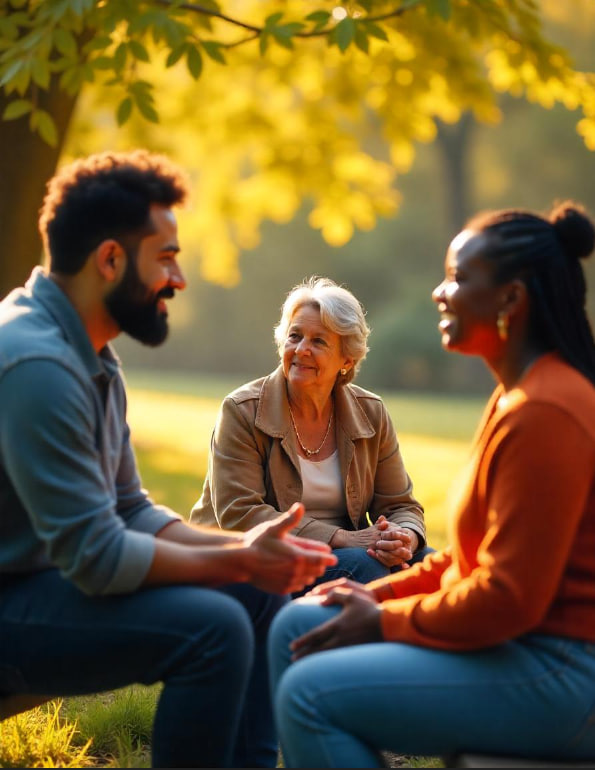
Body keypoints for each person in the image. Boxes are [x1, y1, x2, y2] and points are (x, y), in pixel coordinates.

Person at [0, 150, 337, 769]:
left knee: (256, 600)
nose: (178, 279)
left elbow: (130, 510)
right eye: (166, 257)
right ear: (110, 259)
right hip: (14, 601)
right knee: (214, 626)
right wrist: (239, 559)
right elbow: (99, 558)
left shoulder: (92, 356)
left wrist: (248, 548)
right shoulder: (37, 363)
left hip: (43, 587)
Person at [267, 200, 595, 767]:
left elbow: (507, 600)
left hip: (563, 669)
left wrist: (382, 619)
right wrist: (371, 597)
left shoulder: (548, 410)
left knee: (309, 693)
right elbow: (474, 559)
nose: (440, 293)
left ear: (511, 299)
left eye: (458, 279)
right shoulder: (516, 397)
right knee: (301, 621)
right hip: (527, 646)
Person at [191, 276, 432, 592]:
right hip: (255, 559)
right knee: (366, 568)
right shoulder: (242, 410)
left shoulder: (371, 412)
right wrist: (343, 538)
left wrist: (404, 538)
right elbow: (240, 513)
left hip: (352, 553)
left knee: (432, 568)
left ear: (347, 359)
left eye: (318, 341)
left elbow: (400, 504)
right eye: (295, 336)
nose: (302, 349)